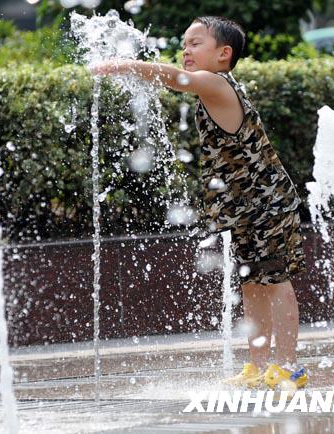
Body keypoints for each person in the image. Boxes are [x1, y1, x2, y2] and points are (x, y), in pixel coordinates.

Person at [91, 16, 308, 390]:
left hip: (267, 204)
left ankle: (289, 366)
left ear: (224, 54)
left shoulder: (218, 84)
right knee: (252, 284)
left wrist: (124, 65)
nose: (186, 50)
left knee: (275, 281)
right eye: (185, 43)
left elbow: (176, 79)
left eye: (196, 43)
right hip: (244, 208)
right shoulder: (211, 89)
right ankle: (258, 367)